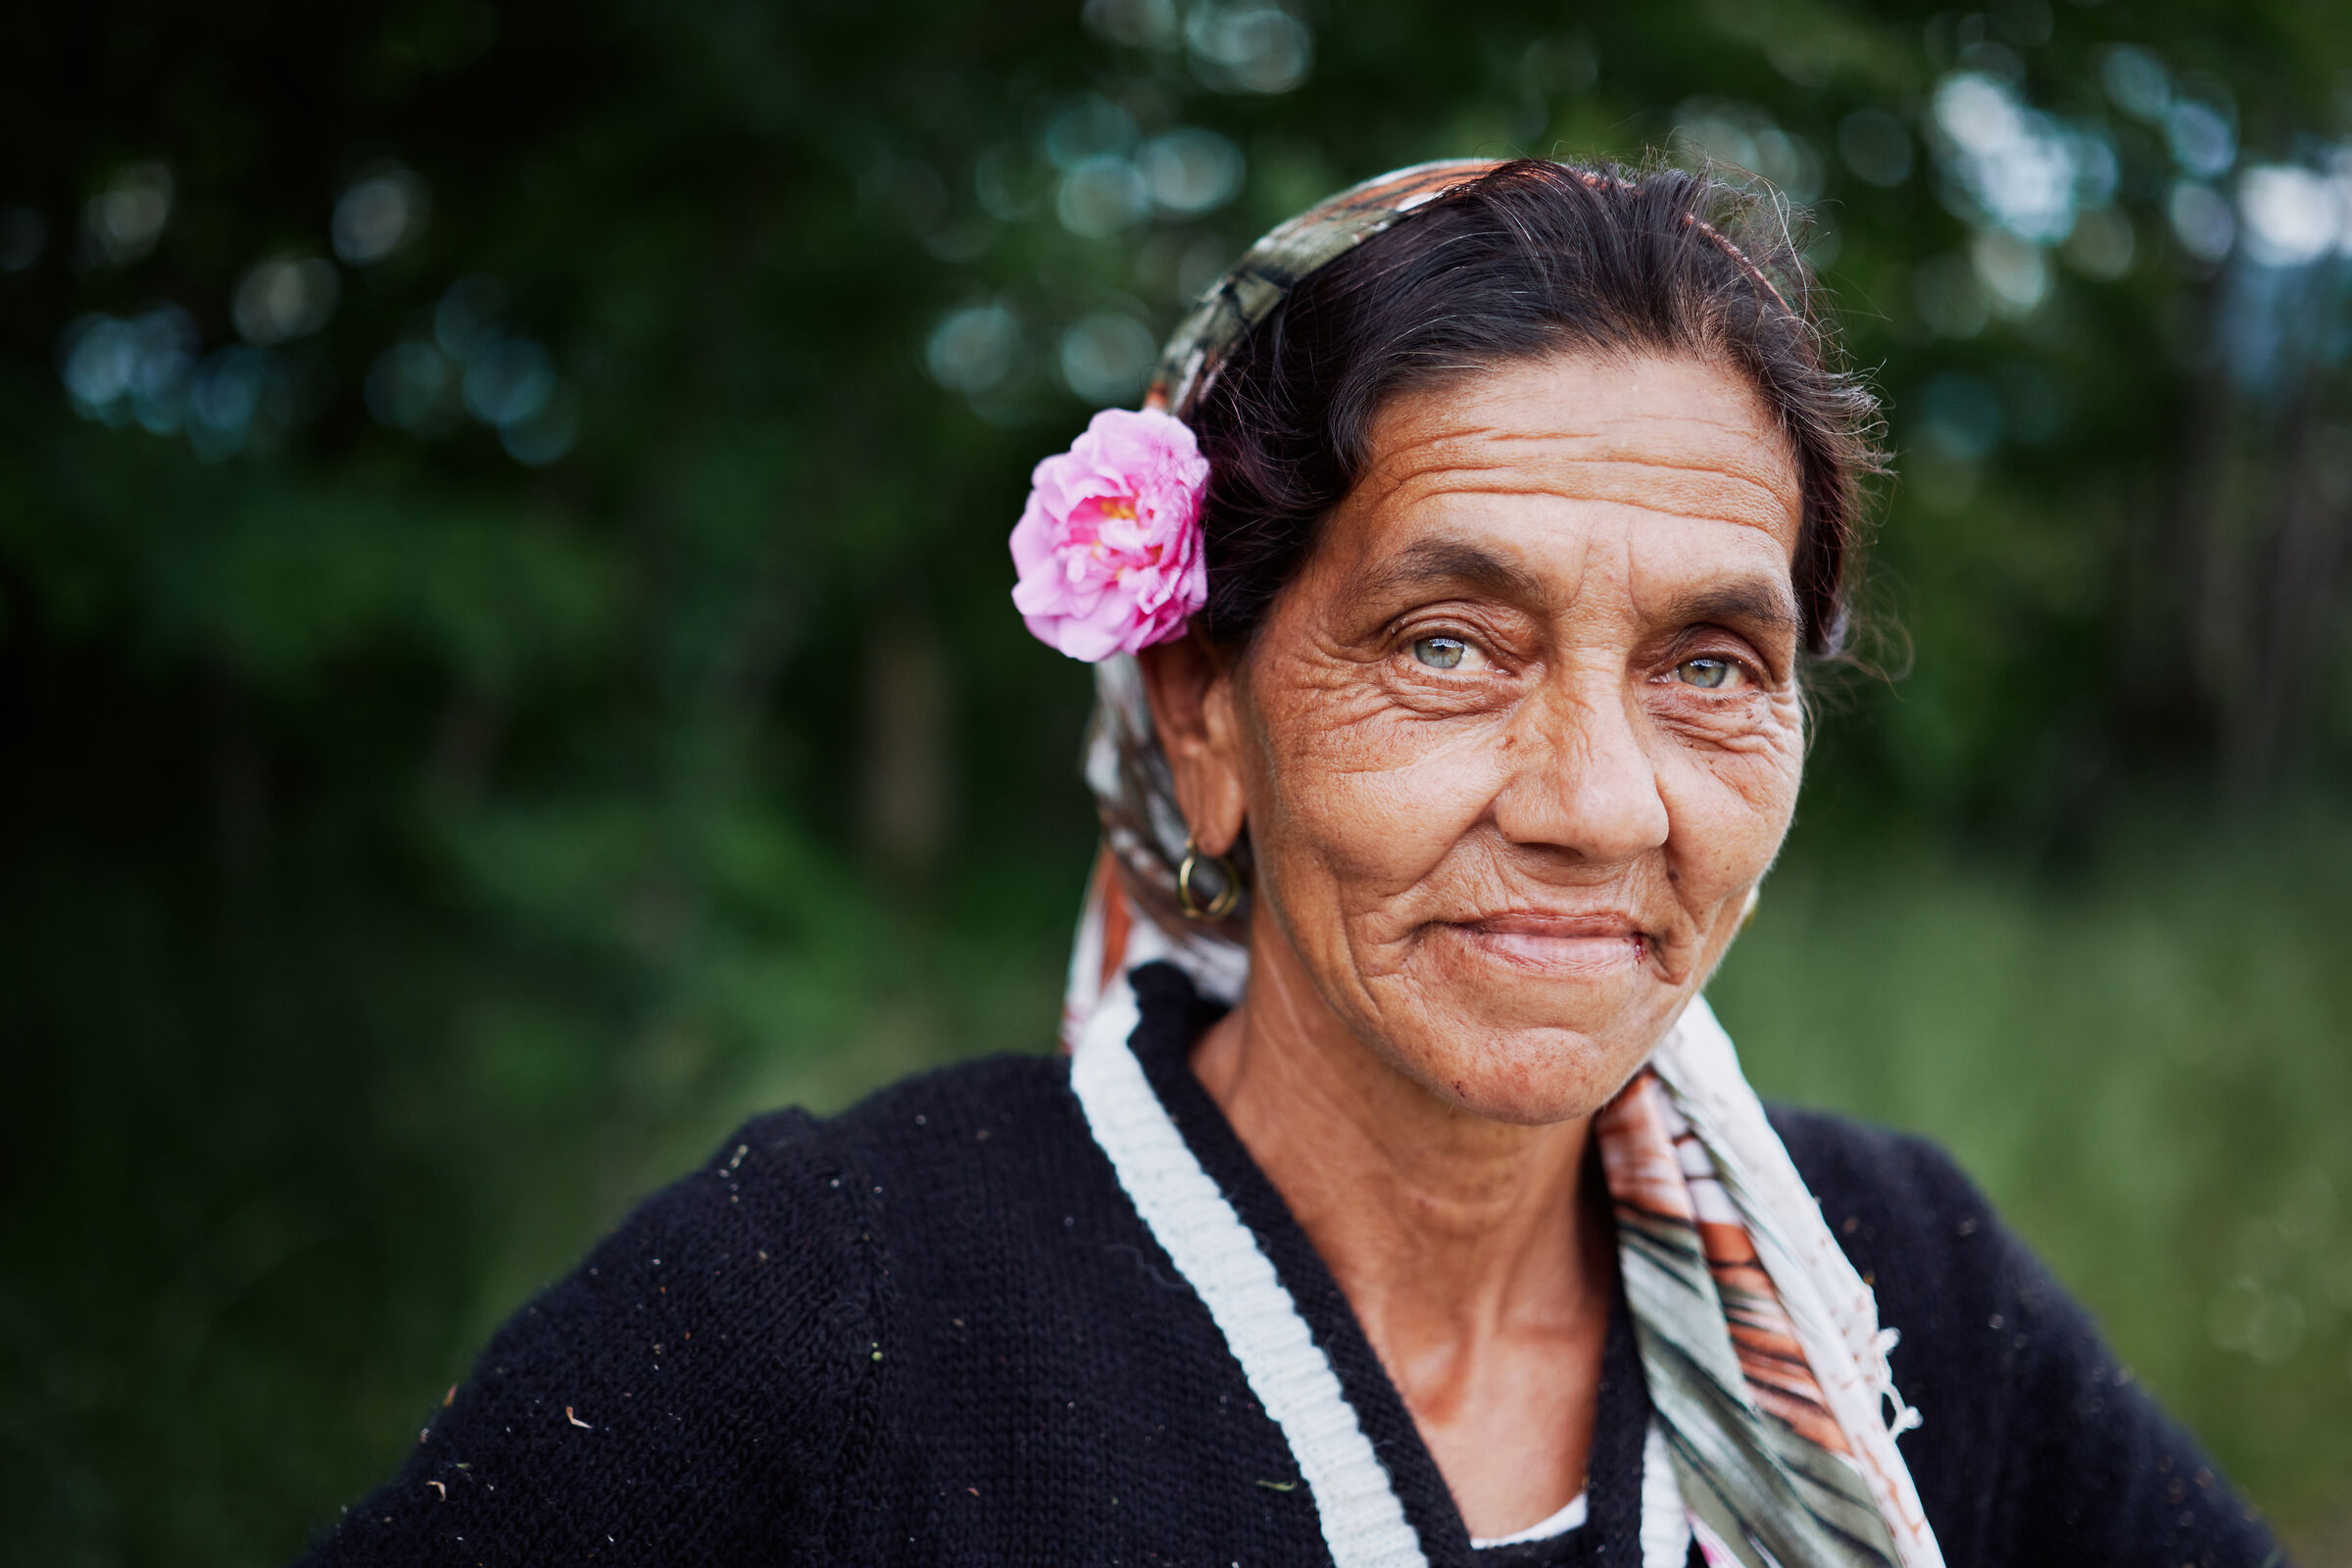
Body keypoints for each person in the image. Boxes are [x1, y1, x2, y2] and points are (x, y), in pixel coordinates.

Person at [294, 160, 2284, 1568]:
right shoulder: (826, 1312)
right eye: (1447, 641)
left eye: (1710, 662)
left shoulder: (1899, 1281)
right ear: (1199, 709)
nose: (1598, 800)